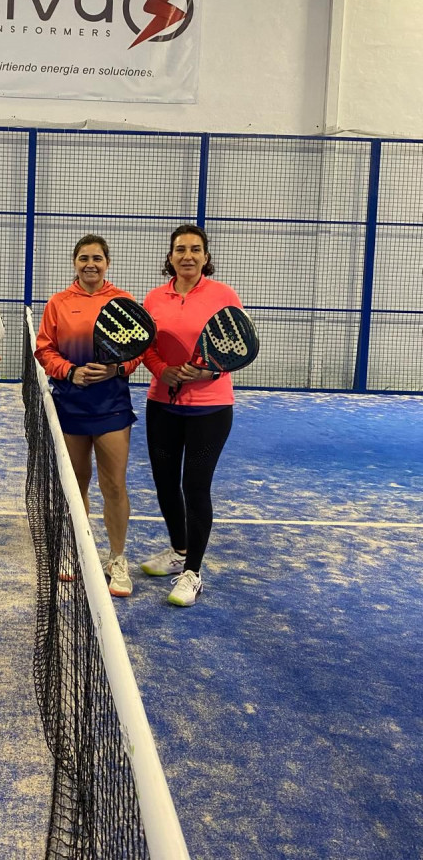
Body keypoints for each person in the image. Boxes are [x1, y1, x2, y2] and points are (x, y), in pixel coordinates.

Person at [34, 235, 144, 597]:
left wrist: (117, 369)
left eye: (97, 258)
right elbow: (45, 349)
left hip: (111, 406)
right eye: (84, 258)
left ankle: (117, 558)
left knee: (113, 485)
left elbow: (138, 351)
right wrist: (70, 371)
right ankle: (77, 549)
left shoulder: (123, 301)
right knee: (75, 483)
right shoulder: (59, 303)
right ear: (74, 262)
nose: (90, 264)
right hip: (70, 405)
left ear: (107, 263)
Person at [140, 224, 243, 606]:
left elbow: (238, 346)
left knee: (195, 486)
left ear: (205, 256)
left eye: (195, 249)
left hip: (210, 408)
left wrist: (209, 372)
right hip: (162, 404)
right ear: (170, 257)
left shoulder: (223, 296)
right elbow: (145, 346)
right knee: (165, 482)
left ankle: (192, 573)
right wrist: (160, 369)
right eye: (180, 249)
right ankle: (178, 550)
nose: (187, 256)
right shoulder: (154, 298)